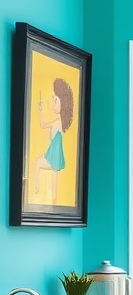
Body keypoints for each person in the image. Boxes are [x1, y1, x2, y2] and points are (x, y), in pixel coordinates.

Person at [34, 76, 74, 204]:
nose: (53, 102)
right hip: (53, 156)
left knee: (38, 164)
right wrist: (40, 111)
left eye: (55, 100)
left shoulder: (59, 123)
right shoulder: (57, 122)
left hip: (54, 158)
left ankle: (37, 189)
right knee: (53, 178)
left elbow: (47, 125)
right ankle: (48, 196)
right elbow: (43, 125)